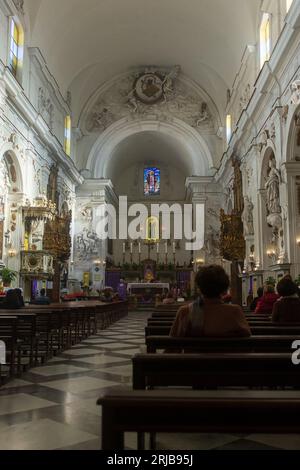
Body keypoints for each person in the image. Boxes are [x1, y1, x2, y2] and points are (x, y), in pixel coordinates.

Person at [170, 265, 251, 337]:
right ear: (224, 288)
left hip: (194, 353)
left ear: (199, 288)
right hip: (226, 354)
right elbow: (247, 344)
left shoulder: (185, 312)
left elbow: (172, 347)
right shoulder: (234, 312)